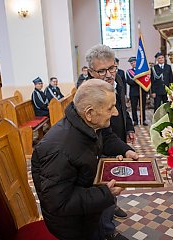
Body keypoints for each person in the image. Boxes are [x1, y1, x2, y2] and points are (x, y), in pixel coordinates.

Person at [32, 79, 138, 240]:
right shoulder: (59, 149)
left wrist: (125, 150)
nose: (116, 112)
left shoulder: (87, 123)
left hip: (89, 214)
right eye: (110, 108)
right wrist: (105, 193)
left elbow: (105, 138)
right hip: (73, 227)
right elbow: (59, 203)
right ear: (89, 113)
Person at [86, 44, 136, 239]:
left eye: (112, 68)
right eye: (101, 71)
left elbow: (123, 107)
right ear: (91, 71)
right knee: (104, 184)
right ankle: (108, 231)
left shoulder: (120, 78)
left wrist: (129, 127)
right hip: (101, 144)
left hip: (118, 137)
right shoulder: (89, 93)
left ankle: (113, 207)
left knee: (117, 180)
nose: (108, 74)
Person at [126, 56, 148, 126]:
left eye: (134, 62)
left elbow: (145, 81)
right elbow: (129, 82)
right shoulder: (129, 72)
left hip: (142, 91)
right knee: (134, 107)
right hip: (133, 92)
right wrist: (139, 81)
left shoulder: (142, 71)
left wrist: (138, 81)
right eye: (131, 63)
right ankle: (135, 121)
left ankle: (143, 120)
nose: (133, 64)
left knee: (142, 107)